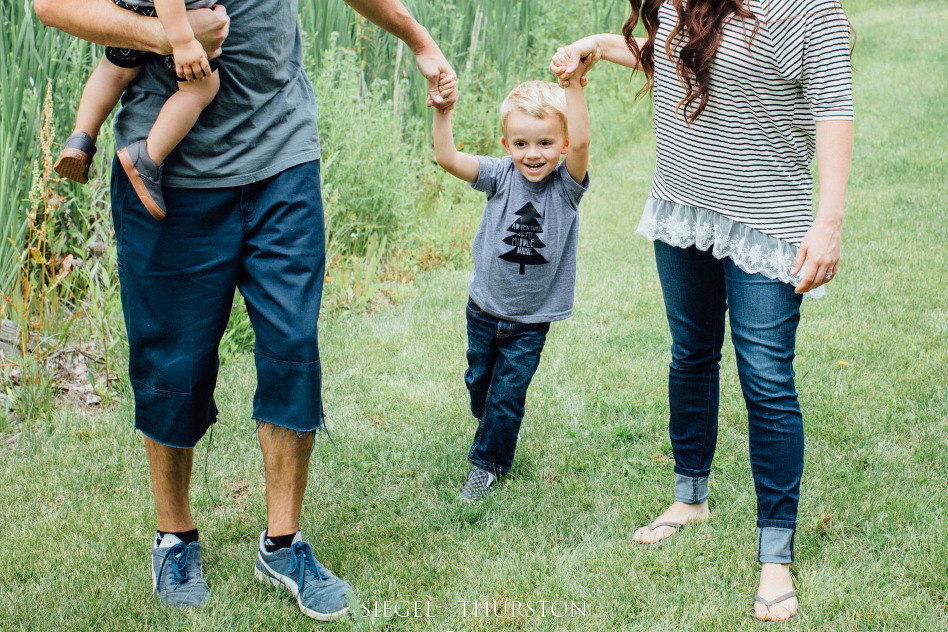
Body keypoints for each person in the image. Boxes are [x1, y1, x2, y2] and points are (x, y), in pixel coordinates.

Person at [34, 0, 457, 619]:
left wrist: (418, 39)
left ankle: (283, 545)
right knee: (171, 365)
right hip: (163, 174)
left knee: (293, 347)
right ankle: (174, 536)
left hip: (280, 158)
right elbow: (52, 6)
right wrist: (165, 34)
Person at [551, 0, 853, 621]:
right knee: (690, 354)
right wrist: (593, 46)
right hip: (683, 207)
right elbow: (670, 54)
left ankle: (776, 552)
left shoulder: (809, 10)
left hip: (767, 220)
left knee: (766, 379)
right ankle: (690, 497)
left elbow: (833, 109)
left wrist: (828, 223)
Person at [433, 79, 591, 501]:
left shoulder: (566, 188)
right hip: (483, 308)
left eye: (545, 142)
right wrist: (442, 112)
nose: (533, 153)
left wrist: (573, 87)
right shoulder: (499, 175)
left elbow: (582, 145)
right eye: (521, 143)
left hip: (531, 319)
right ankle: (493, 432)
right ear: (506, 143)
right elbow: (446, 158)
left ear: (563, 144)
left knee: (507, 397)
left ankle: (487, 467)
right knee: (478, 385)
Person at [54, 0, 221, 220]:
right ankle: (148, 157)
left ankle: (81, 140)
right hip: (176, 19)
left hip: (131, 6)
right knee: (200, 89)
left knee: (114, 71)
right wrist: (184, 41)